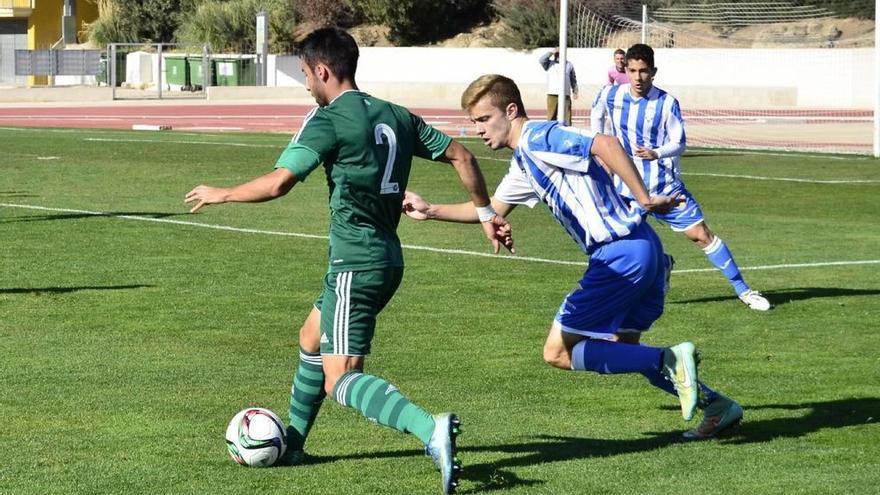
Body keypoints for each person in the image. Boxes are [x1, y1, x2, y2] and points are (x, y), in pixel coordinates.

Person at [185, 27, 513, 495]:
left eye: (304, 74)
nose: (305, 85)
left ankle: (429, 429)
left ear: (322, 70)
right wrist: (485, 213)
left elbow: (280, 182)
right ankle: (294, 444)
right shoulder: (395, 114)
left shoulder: (327, 119)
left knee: (341, 378)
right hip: (386, 259)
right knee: (310, 335)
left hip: (354, 264)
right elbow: (461, 155)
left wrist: (224, 194)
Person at [403, 74, 744, 440]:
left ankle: (670, 359)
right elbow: (490, 209)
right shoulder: (523, 162)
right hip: (643, 251)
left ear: (511, 110)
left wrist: (644, 198)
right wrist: (430, 209)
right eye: (474, 123)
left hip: (619, 256)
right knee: (623, 351)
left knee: (557, 353)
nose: (479, 131)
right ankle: (717, 406)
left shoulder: (540, 137)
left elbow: (606, 143)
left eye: (484, 120)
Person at [591, 43, 771, 311]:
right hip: (626, 188)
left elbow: (679, 142)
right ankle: (652, 271)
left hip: (664, 186)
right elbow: (596, 120)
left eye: (643, 71)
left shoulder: (666, 103)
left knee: (701, 235)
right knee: (618, 243)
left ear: (653, 71)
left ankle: (744, 291)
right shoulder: (609, 95)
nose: (638, 78)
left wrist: (657, 152)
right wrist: (602, 156)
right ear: (625, 70)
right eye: (632, 70)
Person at [539, 47, 579, 125]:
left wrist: (575, 91)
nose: (558, 55)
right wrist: (552, 52)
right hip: (552, 94)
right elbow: (541, 60)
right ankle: (551, 134)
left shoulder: (569, 65)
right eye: (557, 54)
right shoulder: (549, 64)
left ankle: (567, 132)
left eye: (560, 53)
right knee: (551, 117)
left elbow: (573, 79)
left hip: (565, 95)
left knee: (567, 117)